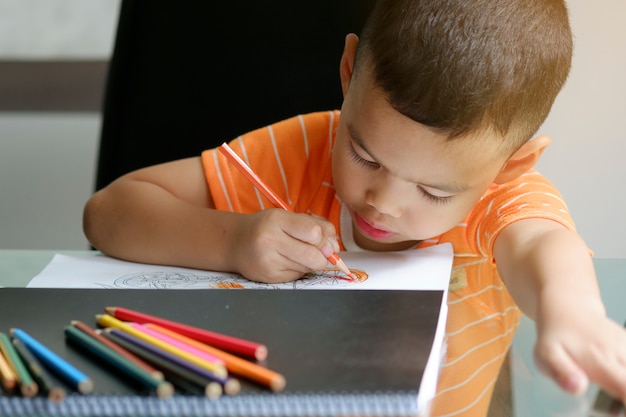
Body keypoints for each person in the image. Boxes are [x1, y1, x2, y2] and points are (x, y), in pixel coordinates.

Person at [83, 0, 626, 415]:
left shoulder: (502, 196)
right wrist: (235, 240)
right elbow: (109, 212)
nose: (383, 204)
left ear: (511, 164)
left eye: (435, 193)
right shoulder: (298, 150)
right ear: (347, 74)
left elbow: (542, 245)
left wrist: (572, 313)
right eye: (364, 155)